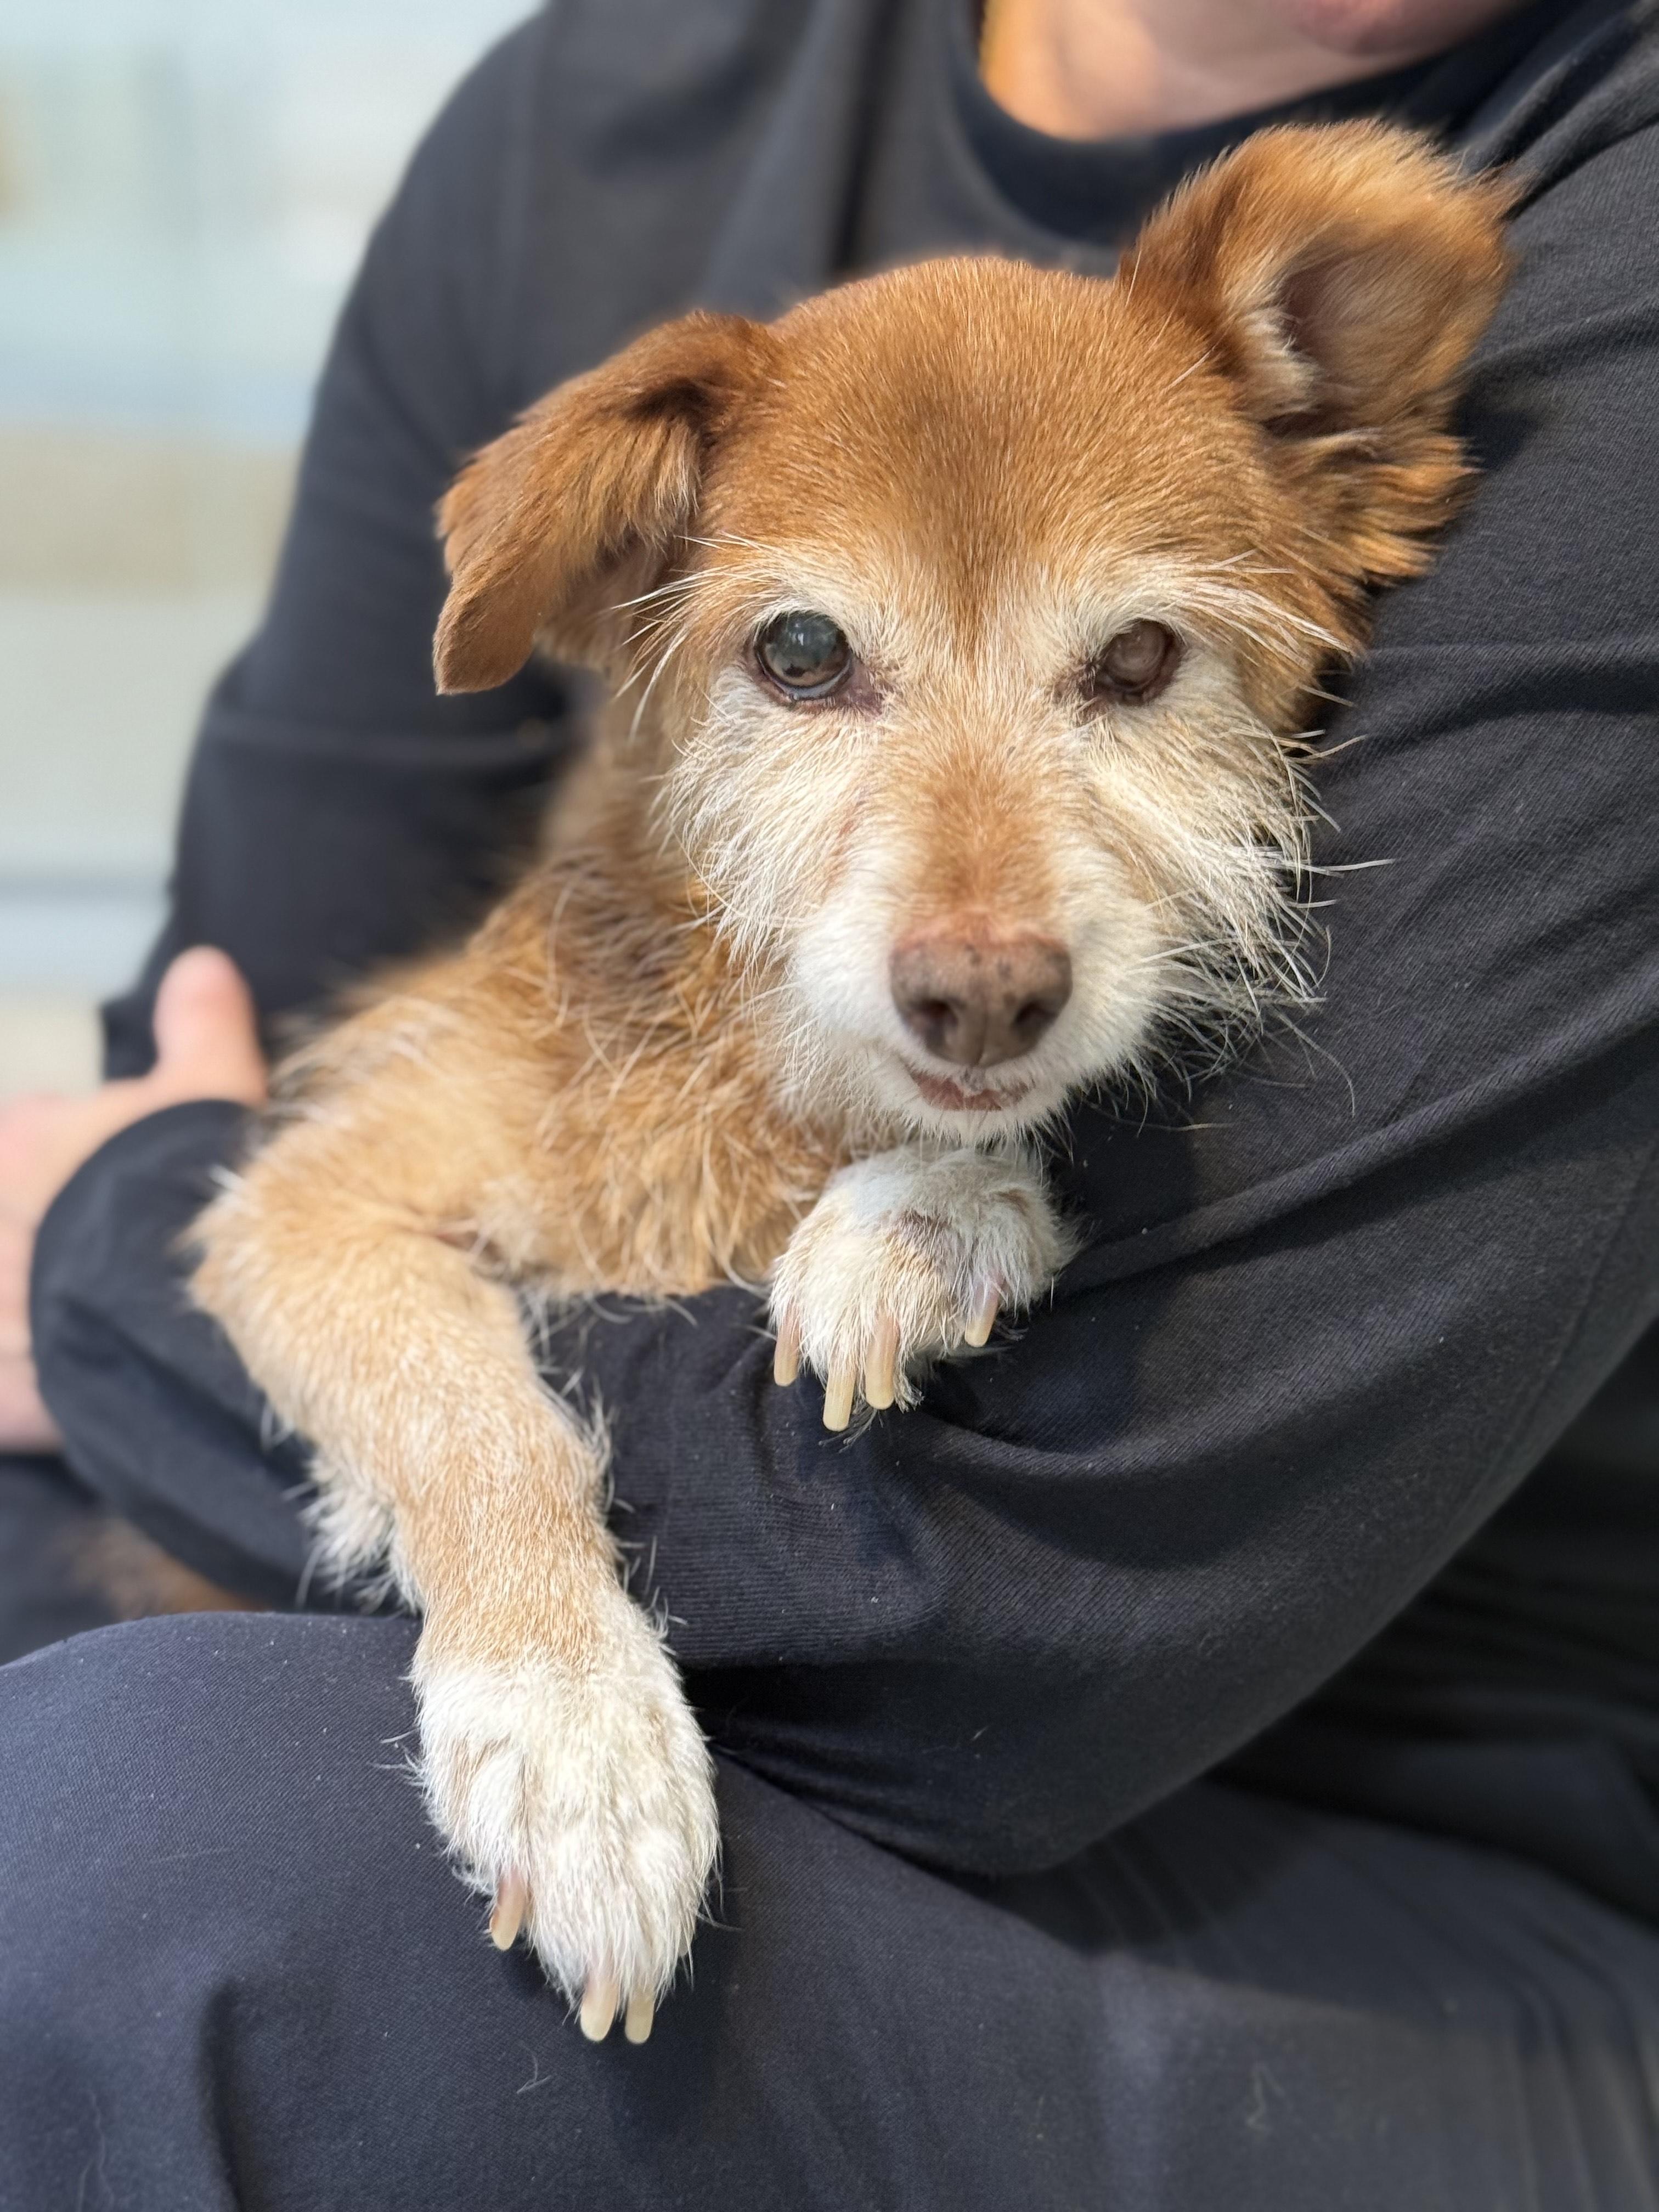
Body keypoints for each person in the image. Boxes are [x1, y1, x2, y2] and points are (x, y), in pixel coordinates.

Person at [3, 0, 1657, 2200]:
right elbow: (252, 1086)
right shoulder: (599, 113)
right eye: (809, 659)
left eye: (1132, 665)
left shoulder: (1579, 254)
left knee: (157, 1872)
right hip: (588, 1554)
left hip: (1369, 1850)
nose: (979, 935)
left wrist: (105, 1262)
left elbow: (1014, 1630)